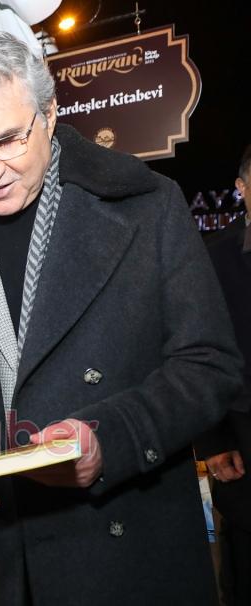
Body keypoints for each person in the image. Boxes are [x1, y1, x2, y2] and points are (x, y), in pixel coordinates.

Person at [0, 31, 243, 606]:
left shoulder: (147, 207)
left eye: (6, 140)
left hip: (123, 553)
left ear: (50, 115)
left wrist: (112, 439)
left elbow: (209, 365)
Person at [195, 144, 251, 606]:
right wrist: (212, 442)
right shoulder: (214, 258)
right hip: (241, 441)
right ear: (242, 188)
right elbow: (195, 353)